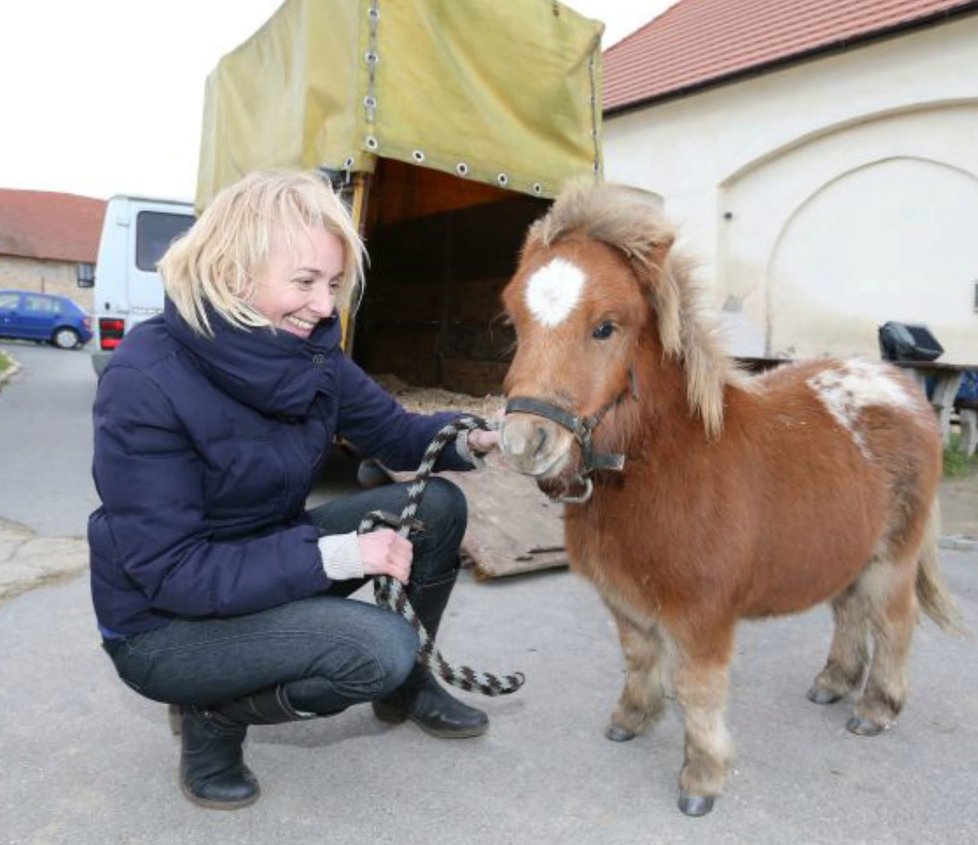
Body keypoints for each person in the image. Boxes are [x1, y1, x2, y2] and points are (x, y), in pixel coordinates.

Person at [89, 169, 499, 810]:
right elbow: (171, 571)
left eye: (333, 283)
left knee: (439, 507)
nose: (324, 305)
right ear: (231, 274)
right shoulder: (145, 378)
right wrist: (341, 557)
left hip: (267, 560)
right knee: (376, 647)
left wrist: (477, 439)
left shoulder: (313, 357)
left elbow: (396, 436)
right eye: (304, 282)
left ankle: (408, 685)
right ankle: (214, 714)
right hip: (165, 623)